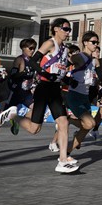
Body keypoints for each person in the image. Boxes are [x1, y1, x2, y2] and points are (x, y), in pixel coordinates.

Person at [26, 18, 78, 173]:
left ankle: (62, 160)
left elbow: (59, 71)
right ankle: (13, 116)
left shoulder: (66, 49)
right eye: (65, 29)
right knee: (34, 129)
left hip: (55, 89)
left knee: (63, 122)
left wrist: (68, 80)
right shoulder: (50, 43)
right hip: (43, 88)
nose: (68, 32)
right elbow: (32, 61)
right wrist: (44, 74)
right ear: (56, 29)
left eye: (69, 30)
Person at [0, 38, 37, 154]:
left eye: (34, 48)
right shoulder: (19, 59)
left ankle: (16, 119)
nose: (33, 50)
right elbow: (13, 76)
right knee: (1, 118)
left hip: (26, 93)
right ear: (23, 48)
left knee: (36, 111)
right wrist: (23, 73)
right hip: (14, 93)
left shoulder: (33, 61)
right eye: (30, 48)